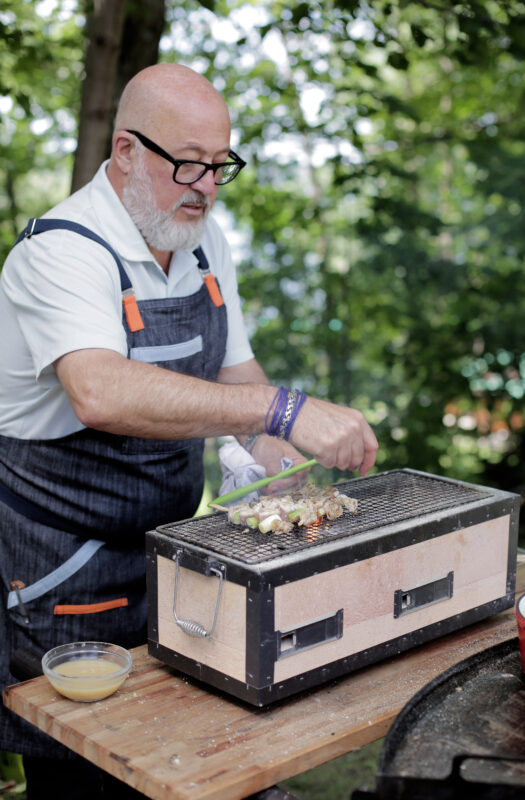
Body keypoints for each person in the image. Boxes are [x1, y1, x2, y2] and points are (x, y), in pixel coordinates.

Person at [0, 63, 378, 797]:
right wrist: (287, 410)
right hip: (63, 574)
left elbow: (236, 380)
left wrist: (288, 480)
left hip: (176, 558)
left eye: (218, 164)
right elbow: (100, 392)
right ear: (125, 152)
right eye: (186, 163)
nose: (205, 184)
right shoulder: (61, 252)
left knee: (188, 756)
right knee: (89, 776)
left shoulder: (204, 244)